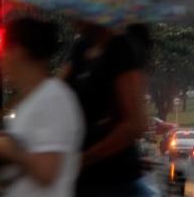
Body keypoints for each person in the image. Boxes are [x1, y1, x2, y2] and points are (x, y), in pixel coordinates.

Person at [0, 17, 85, 197]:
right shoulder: (30, 100)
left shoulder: (54, 99)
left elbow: (47, 172)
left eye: (5, 49)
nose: (1, 58)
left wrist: (9, 150)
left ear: (19, 51)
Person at [65, 22, 152, 196]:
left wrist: (84, 159)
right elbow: (60, 93)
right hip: (80, 181)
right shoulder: (81, 48)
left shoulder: (121, 49)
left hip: (115, 180)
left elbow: (135, 124)